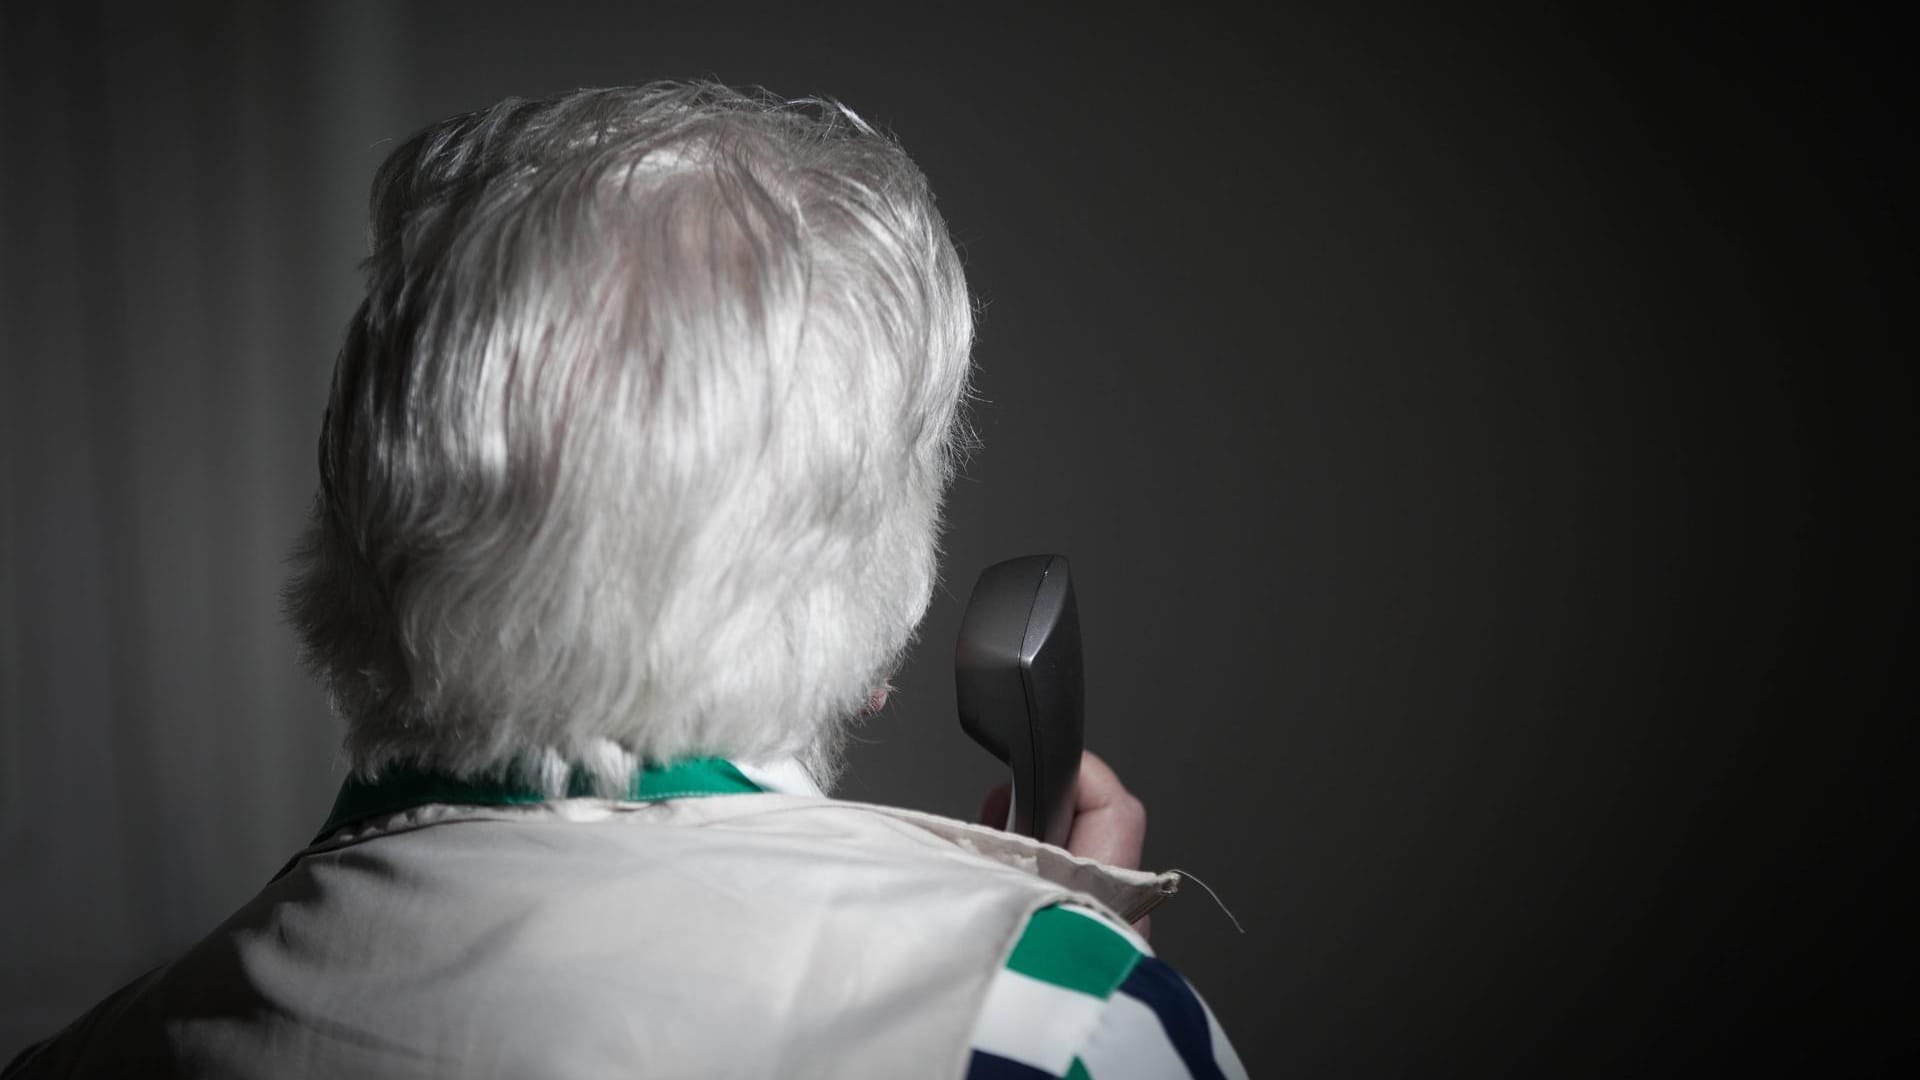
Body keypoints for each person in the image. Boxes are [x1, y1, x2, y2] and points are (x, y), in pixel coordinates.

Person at [4, 82, 1247, 1080]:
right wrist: (1058, 983)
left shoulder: (88, 1053)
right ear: (877, 619)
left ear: (356, 523)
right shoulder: (1053, 1023)